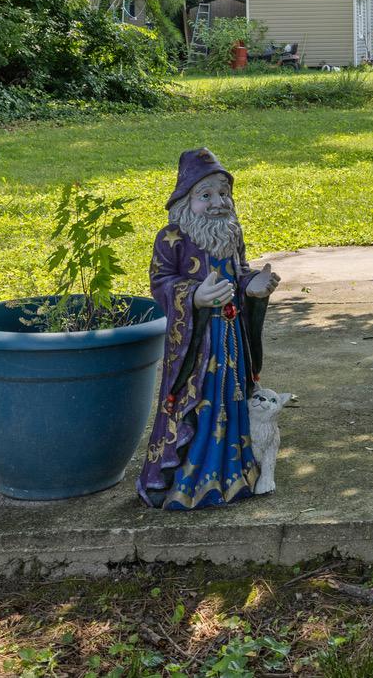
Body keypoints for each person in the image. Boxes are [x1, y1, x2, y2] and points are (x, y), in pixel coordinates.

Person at [136, 148, 280, 509]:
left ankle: (235, 470)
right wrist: (193, 296)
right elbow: (161, 282)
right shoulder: (171, 238)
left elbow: (239, 270)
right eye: (206, 195)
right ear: (185, 200)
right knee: (196, 404)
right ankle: (184, 477)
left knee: (232, 399)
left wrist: (252, 286)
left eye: (223, 193)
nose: (218, 203)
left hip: (232, 339)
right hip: (197, 344)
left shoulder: (231, 232)